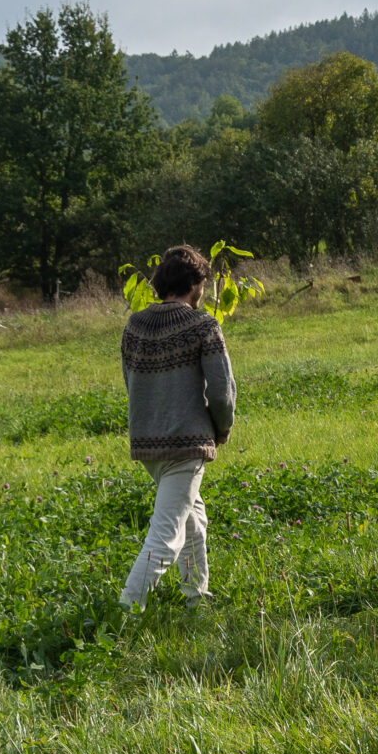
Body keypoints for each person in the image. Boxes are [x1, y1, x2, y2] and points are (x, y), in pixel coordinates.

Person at [119, 245, 237, 608]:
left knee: (193, 522)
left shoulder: (134, 326)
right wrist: (221, 431)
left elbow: (131, 382)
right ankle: (126, 610)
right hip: (186, 446)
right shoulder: (203, 325)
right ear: (195, 284)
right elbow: (222, 392)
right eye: (203, 283)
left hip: (147, 445)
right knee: (166, 537)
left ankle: (196, 598)